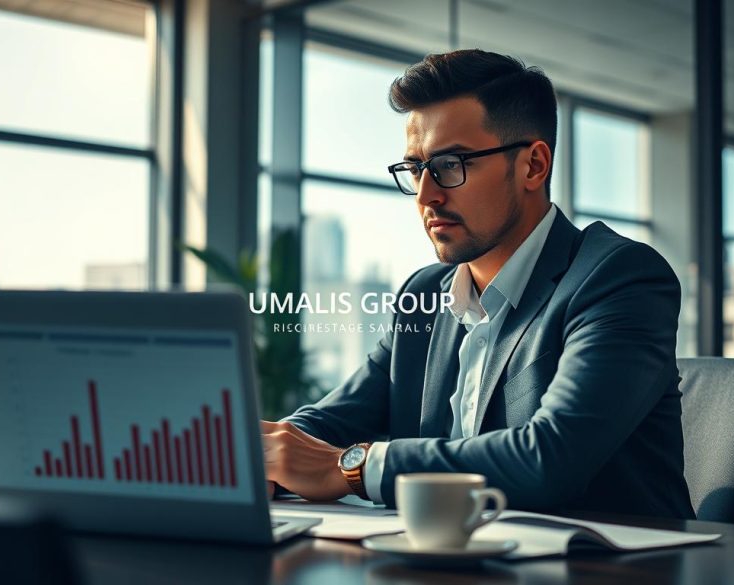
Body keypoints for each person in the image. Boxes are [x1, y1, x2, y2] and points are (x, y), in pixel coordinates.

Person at [261, 49, 694, 519]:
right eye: (415, 169)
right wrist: (263, 454)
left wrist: (355, 468)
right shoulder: (423, 295)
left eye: (450, 164)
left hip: (613, 566)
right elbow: (334, 419)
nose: (427, 194)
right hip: (451, 558)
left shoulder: (619, 277)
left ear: (533, 166)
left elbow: (550, 458)